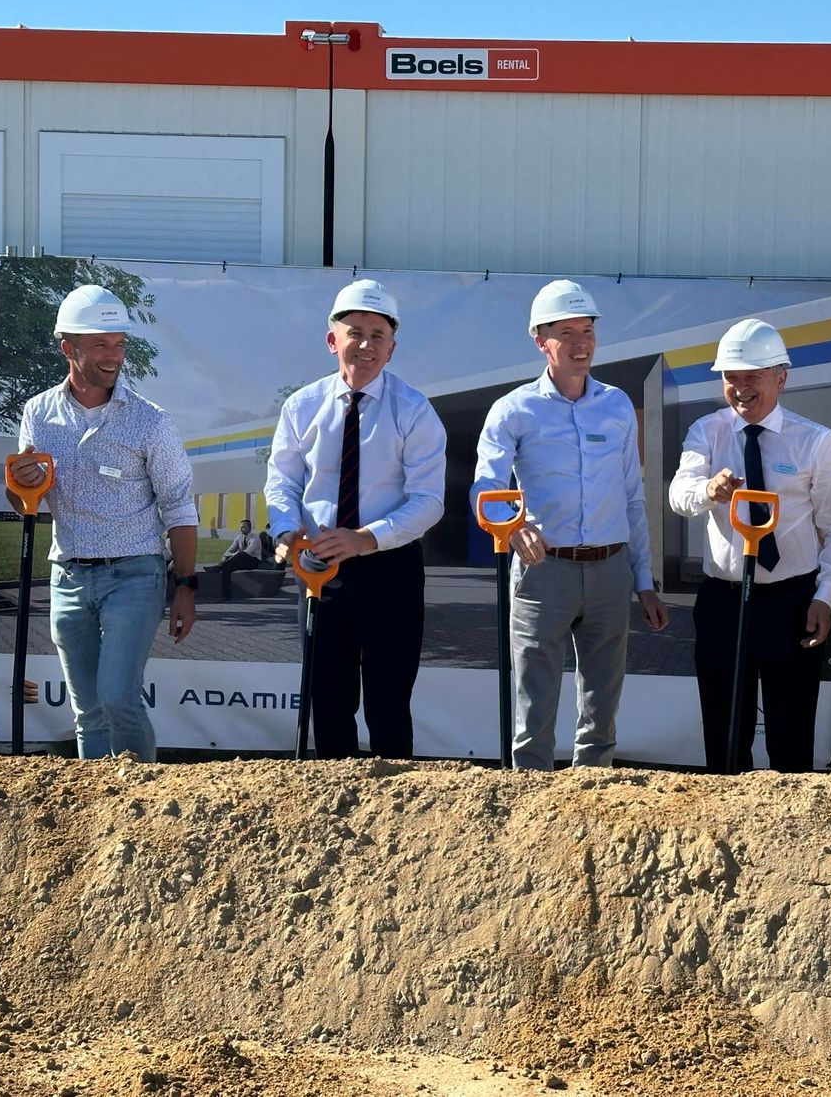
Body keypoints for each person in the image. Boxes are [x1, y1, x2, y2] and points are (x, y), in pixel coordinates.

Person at [471, 279, 668, 770]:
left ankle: (591, 795)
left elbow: (632, 497)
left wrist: (643, 582)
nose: (581, 343)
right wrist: (511, 528)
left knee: (602, 702)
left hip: (610, 571)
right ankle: (530, 798)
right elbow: (485, 488)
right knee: (534, 703)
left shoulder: (617, 405)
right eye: (566, 333)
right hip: (544, 572)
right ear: (540, 340)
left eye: (588, 331)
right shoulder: (514, 409)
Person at [9, 284, 199, 762]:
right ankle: (96, 803)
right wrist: (23, 485)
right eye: (100, 344)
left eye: (118, 344)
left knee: (117, 697)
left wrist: (185, 586)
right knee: (88, 711)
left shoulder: (151, 421)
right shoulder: (38, 413)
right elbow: (25, 501)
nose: (113, 356)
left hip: (134, 574)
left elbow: (179, 507)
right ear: (67, 347)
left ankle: (141, 796)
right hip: (68, 575)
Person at [265, 279, 445, 759]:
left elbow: (429, 500)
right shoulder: (301, 406)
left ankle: (395, 798)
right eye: (356, 333)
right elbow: (281, 481)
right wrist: (285, 529)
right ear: (333, 340)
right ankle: (331, 797)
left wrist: (364, 539)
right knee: (327, 699)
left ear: (392, 348)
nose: (367, 345)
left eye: (378, 335)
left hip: (391, 569)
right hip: (319, 567)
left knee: (389, 701)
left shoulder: (415, 410)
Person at [668, 319, 831, 772]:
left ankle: (789, 815)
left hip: (791, 603)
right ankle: (728, 812)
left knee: (791, 738)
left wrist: (825, 594)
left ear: (781, 377)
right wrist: (708, 491)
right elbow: (679, 494)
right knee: (724, 734)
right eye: (731, 376)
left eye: (752, 375)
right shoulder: (707, 432)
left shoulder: (814, 440)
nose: (740, 387)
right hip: (724, 600)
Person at [211, 518, 263, 600]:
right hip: (240, 560)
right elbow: (230, 550)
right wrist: (224, 558)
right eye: (241, 527)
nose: (241, 529)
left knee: (240, 555)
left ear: (249, 528)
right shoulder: (239, 537)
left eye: (243, 527)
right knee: (227, 569)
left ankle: (219, 567)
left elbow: (247, 552)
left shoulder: (255, 538)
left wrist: (233, 555)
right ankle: (226, 595)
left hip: (253, 561)